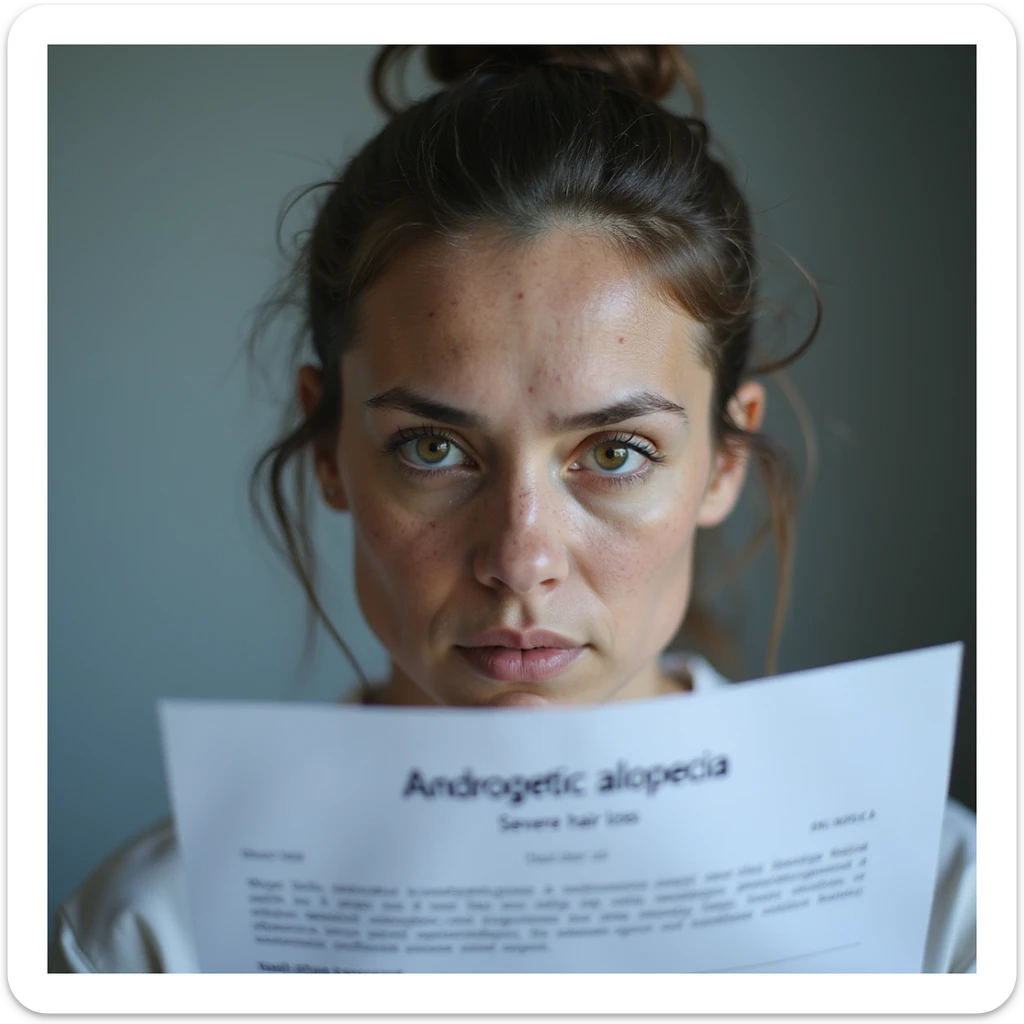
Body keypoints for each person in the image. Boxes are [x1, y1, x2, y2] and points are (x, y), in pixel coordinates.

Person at [49, 44, 976, 973]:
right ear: (329, 451)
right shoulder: (152, 942)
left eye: (615, 453)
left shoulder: (943, 909)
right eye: (434, 448)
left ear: (724, 460)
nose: (521, 557)